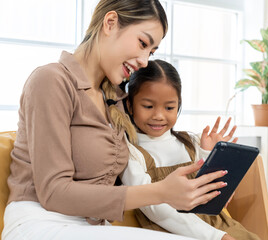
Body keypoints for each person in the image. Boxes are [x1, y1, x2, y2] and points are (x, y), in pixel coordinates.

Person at [1, 1, 229, 239]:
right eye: (142, 43)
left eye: (151, 52)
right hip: (40, 223)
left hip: (91, 228)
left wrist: (209, 177)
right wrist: (160, 192)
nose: (144, 60)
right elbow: (54, 193)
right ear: (110, 23)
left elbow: (150, 156)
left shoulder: (115, 100)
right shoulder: (51, 81)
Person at [121, 59, 260, 240]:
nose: (159, 115)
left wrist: (209, 155)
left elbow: (212, 194)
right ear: (130, 106)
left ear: (178, 106)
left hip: (218, 225)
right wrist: (215, 237)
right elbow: (154, 208)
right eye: (148, 106)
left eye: (169, 107)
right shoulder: (131, 152)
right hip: (172, 231)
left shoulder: (190, 142)